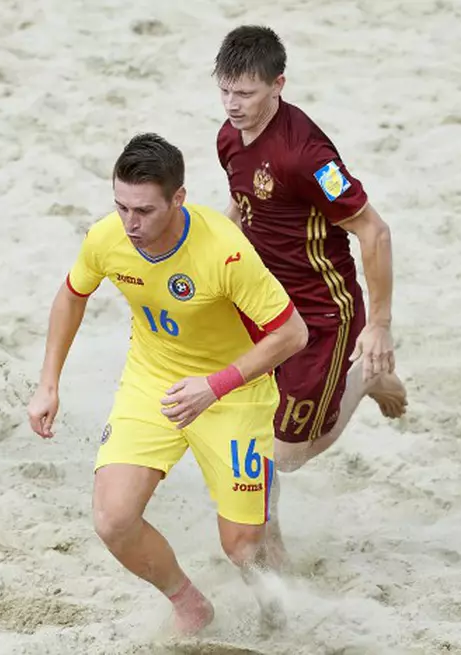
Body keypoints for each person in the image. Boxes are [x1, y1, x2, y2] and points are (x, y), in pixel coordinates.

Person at [27, 133, 308, 635]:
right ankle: (190, 604)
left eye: (144, 211)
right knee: (113, 520)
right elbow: (71, 295)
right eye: (121, 207)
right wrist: (49, 382)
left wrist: (214, 386)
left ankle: (275, 584)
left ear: (179, 198)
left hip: (233, 393)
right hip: (152, 381)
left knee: (243, 547)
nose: (130, 224)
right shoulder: (107, 237)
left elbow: (292, 333)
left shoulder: (224, 250)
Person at [213, 25, 408, 561]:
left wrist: (380, 323)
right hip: (264, 304)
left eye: (246, 93)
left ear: (279, 85)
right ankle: (269, 553)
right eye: (225, 89)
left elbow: (375, 232)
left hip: (324, 315)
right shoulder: (230, 136)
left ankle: (366, 381)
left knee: (293, 453)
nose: (233, 104)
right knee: (258, 439)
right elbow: (241, 205)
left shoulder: (308, 156)